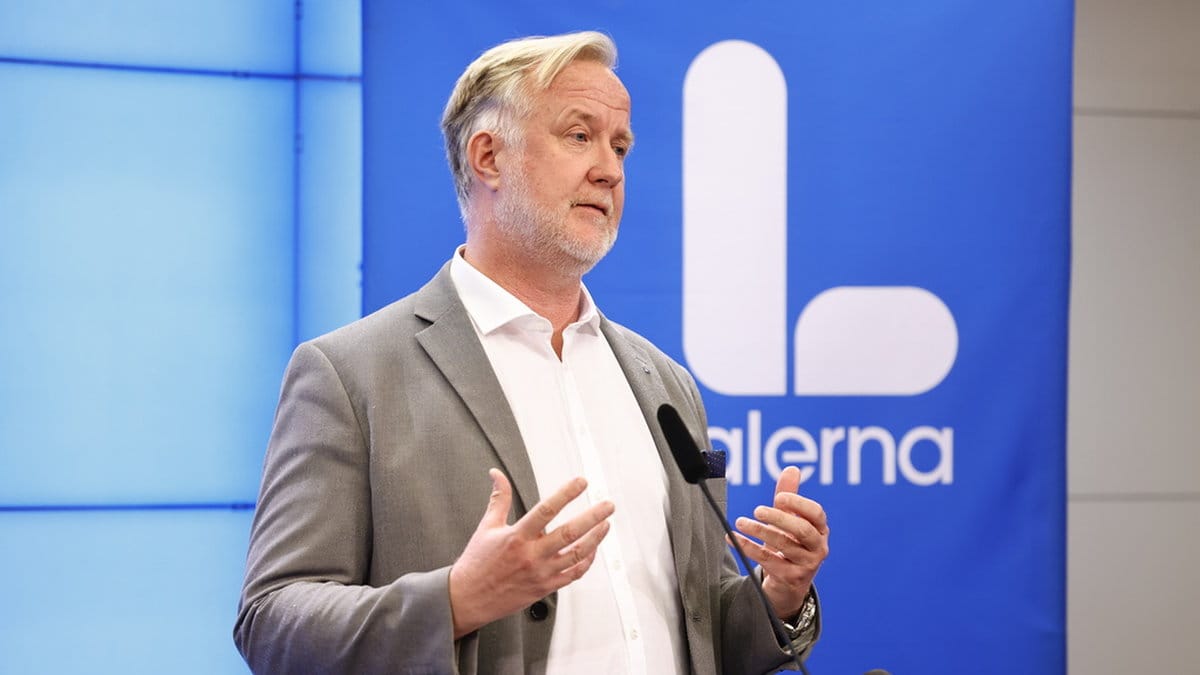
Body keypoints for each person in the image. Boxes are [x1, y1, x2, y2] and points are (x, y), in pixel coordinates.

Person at [234, 31, 829, 674]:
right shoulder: (351, 375)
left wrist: (779, 593)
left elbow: (700, 629)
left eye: (620, 146)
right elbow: (272, 621)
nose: (610, 169)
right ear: (488, 157)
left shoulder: (666, 384)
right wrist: (454, 601)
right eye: (579, 135)